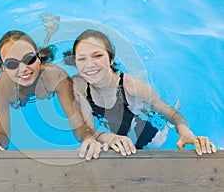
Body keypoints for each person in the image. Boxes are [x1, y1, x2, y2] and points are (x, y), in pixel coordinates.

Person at [68, 29, 216, 156]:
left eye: (97, 56)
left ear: (111, 59)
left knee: (155, 144)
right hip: (115, 129)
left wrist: (185, 132)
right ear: (76, 63)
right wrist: (106, 137)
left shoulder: (132, 87)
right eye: (82, 59)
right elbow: (89, 129)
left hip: (148, 133)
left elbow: (174, 116)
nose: (89, 65)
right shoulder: (79, 84)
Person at [0, 30, 102, 160]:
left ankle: (50, 30)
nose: (23, 69)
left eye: (29, 59)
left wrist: (88, 138)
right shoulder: (1, 88)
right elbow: (2, 134)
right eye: (12, 64)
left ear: (38, 58)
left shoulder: (56, 76)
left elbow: (76, 121)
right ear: (4, 67)